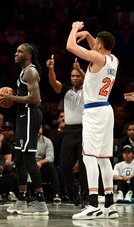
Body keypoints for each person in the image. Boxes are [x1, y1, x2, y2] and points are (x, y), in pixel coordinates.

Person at [66, 21, 119, 219]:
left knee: (89, 157)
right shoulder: (114, 59)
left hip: (94, 111)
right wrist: (89, 35)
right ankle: (109, 205)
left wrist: (74, 28)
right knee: (104, 158)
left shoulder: (97, 58)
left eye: (95, 42)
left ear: (99, 45)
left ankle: (93, 204)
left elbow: (71, 46)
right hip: (106, 109)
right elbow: (96, 49)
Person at [2, 43, 49, 215]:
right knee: (19, 159)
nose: (16, 53)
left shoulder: (30, 71)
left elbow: (36, 98)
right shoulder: (24, 71)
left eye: (20, 51)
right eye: (16, 50)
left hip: (30, 114)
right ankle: (22, 200)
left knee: (29, 158)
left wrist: (12, 97)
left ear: (28, 56)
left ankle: (41, 202)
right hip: (23, 115)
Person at [46, 55, 88, 206]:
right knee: (64, 166)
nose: (75, 78)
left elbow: (89, 79)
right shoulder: (66, 91)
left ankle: (85, 195)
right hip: (69, 131)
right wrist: (51, 69)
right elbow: (53, 82)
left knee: (84, 165)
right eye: (73, 76)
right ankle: (74, 188)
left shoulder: (88, 90)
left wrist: (80, 70)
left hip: (84, 130)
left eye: (77, 75)